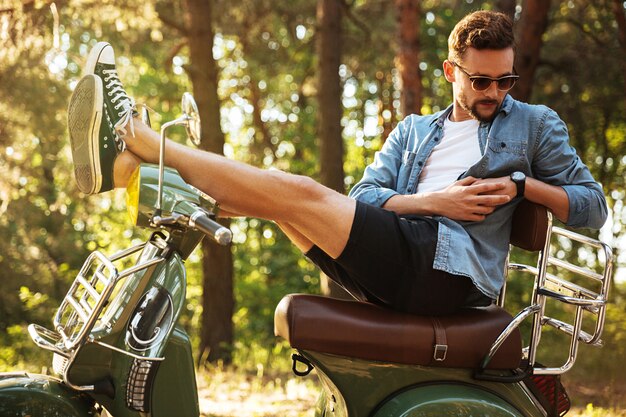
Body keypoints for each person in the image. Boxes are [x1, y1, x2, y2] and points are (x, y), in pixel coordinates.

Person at [67, 10, 607, 316]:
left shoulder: (532, 123)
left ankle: (136, 140)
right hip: (399, 249)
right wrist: (432, 201)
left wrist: (522, 184)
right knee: (278, 198)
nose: (495, 92)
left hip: (452, 271)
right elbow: (364, 198)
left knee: (292, 191)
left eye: (505, 80)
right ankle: (129, 168)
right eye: (481, 80)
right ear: (450, 71)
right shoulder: (415, 131)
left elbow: (593, 207)